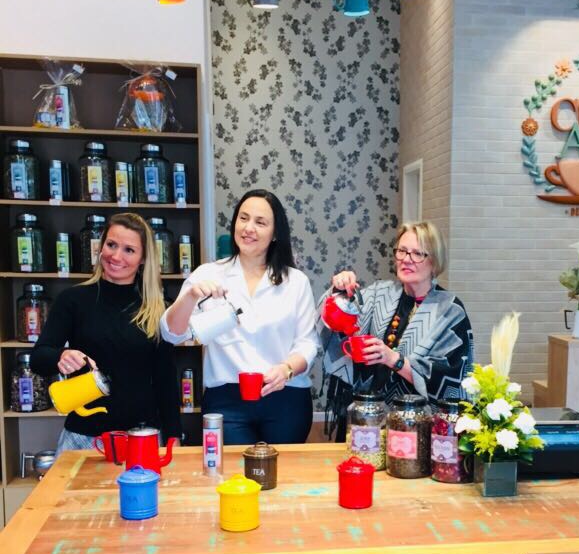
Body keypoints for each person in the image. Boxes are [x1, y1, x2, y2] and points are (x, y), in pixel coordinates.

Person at [161, 189, 319, 445]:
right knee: (233, 469)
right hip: (226, 399)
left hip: (285, 395)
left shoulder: (295, 281)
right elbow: (171, 334)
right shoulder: (208, 274)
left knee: (283, 469)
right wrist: (189, 296)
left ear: (275, 233)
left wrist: (287, 369)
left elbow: (308, 343)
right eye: (243, 218)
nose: (248, 228)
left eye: (260, 222)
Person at [30, 212, 181, 453]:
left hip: (142, 437)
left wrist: (174, 436)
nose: (116, 256)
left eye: (129, 250)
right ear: (101, 247)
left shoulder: (157, 309)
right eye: (111, 245)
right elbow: (38, 359)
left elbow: (166, 379)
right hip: (84, 436)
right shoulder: (73, 300)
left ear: (143, 258)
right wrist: (61, 355)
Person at [320, 220, 474, 440]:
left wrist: (394, 359)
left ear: (434, 261)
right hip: (367, 415)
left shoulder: (449, 310)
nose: (406, 259)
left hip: (418, 425)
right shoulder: (378, 294)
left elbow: (451, 378)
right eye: (402, 251)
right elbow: (335, 323)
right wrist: (340, 292)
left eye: (417, 253)